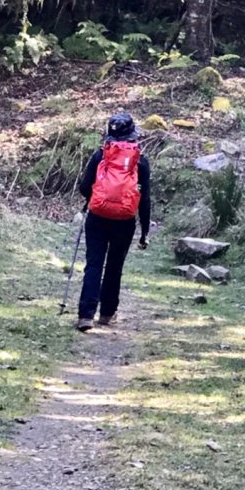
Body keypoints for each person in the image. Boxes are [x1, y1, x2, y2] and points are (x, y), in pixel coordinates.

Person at [75, 113, 151, 331]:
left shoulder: (100, 156)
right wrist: (144, 231)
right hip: (125, 221)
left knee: (94, 264)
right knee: (114, 266)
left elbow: (83, 186)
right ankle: (107, 314)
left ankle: (85, 316)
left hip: (97, 217)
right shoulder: (140, 161)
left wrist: (96, 199)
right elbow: (144, 200)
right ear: (132, 134)